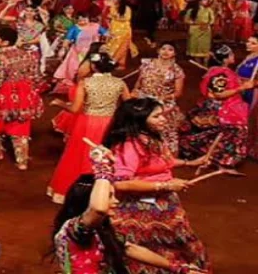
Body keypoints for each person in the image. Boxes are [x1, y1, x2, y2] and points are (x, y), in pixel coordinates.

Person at [51, 150, 206, 274]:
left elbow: (128, 248)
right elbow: (98, 208)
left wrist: (178, 268)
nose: (116, 201)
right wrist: (102, 168)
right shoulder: (73, 228)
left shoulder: (101, 228)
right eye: (110, 197)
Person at [104, 98, 211, 274]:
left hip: (163, 203)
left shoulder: (150, 138)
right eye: (157, 116)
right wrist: (164, 186)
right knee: (150, 251)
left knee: (177, 243)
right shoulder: (129, 145)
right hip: (141, 209)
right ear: (140, 119)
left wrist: (190, 163)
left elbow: (160, 161)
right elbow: (121, 183)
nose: (163, 119)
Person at [48, 52, 130, 203]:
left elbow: (75, 109)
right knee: (108, 158)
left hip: (87, 124)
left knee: (80, 157)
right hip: (110, 124)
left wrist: (60, 104)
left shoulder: (86, 83)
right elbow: (129, 104)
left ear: (93, 66)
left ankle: (78, 194)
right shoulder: (120, 83)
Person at [179, 45, 252, 168]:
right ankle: (219, 159)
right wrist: (242, 87)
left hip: (215, 105)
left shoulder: (215, 70)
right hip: (223, 107)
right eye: (231, 55)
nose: (233, 57)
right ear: (225, 59)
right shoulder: (222, 73)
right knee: (236, 130)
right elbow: (219, 93)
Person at [0, 27, 44, 170]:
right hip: (25, 92)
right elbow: (36, 75)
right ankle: (22, 161)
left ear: (5, 42)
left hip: (5, 92)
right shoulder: (27, 54)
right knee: (21, 127)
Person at [132, 42, 186, 155]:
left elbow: (178, 93)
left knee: (164, 130)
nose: (166, 52)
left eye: (170, 50)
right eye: (163, 49)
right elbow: (139, 82)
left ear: (175, 53)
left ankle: (165, 155)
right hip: (144, 101)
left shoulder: (176, 70)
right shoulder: (147, 64)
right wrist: (134, 93)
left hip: (163, 105)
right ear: (158, 50)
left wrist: (162, 98)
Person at [54, 14, 108, 93]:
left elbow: (107, 33)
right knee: (75, 69)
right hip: (77, 52)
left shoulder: (95, 26)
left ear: (88, 18)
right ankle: (78, 88)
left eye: (84, 18)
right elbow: (67, 41)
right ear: (77, 20)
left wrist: (104, 42)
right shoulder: (74, 29)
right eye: (80, 19)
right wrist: (65, 47)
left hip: (93, 51)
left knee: (96, 67)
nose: (82, 20)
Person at [237, 34, 258, 158]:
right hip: (243, 91)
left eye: (253, 43)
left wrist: (252, 83)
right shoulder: (249, 57)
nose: (248, 44)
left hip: (254, 93)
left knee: (251, 120)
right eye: (248, 42)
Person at [105, 0, 138, 70]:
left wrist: (114, 17)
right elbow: (108, 16)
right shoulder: (112, 7)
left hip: (124, 31)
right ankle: (111, 62)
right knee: (111, 46)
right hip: (114, 29)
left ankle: (120, 64)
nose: (113, 0)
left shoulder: (127, 8)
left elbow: (127, 18)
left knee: (122, 48)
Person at [184, 0, 215, 64]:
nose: (206, 2)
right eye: (204, 0)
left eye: (207, 0)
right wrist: (194, 23)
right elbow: (186, 20)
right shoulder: (191, 10)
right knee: (196, 47)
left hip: (205, 30)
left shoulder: (209, 10)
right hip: (195, 29)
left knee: (205, 47)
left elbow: (212, 20)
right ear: (199, 1)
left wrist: (207, 24)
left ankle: (205, 64)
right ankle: (198, 64)